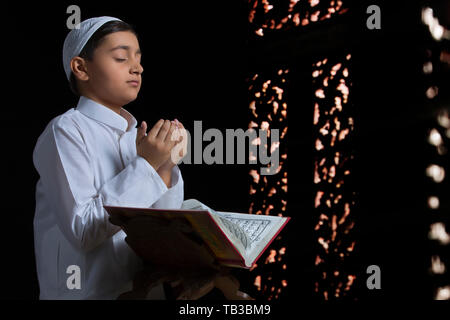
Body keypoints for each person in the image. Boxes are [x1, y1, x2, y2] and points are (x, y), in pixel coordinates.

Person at [32, 16, 187, 299]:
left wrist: (164, 165)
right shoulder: (66, 130)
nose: (137, 67)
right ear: (81, 67)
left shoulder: (136, 136)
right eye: (120, 57)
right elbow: (83, 229)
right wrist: (147, 165)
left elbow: (159, 232)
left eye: (138, 58)